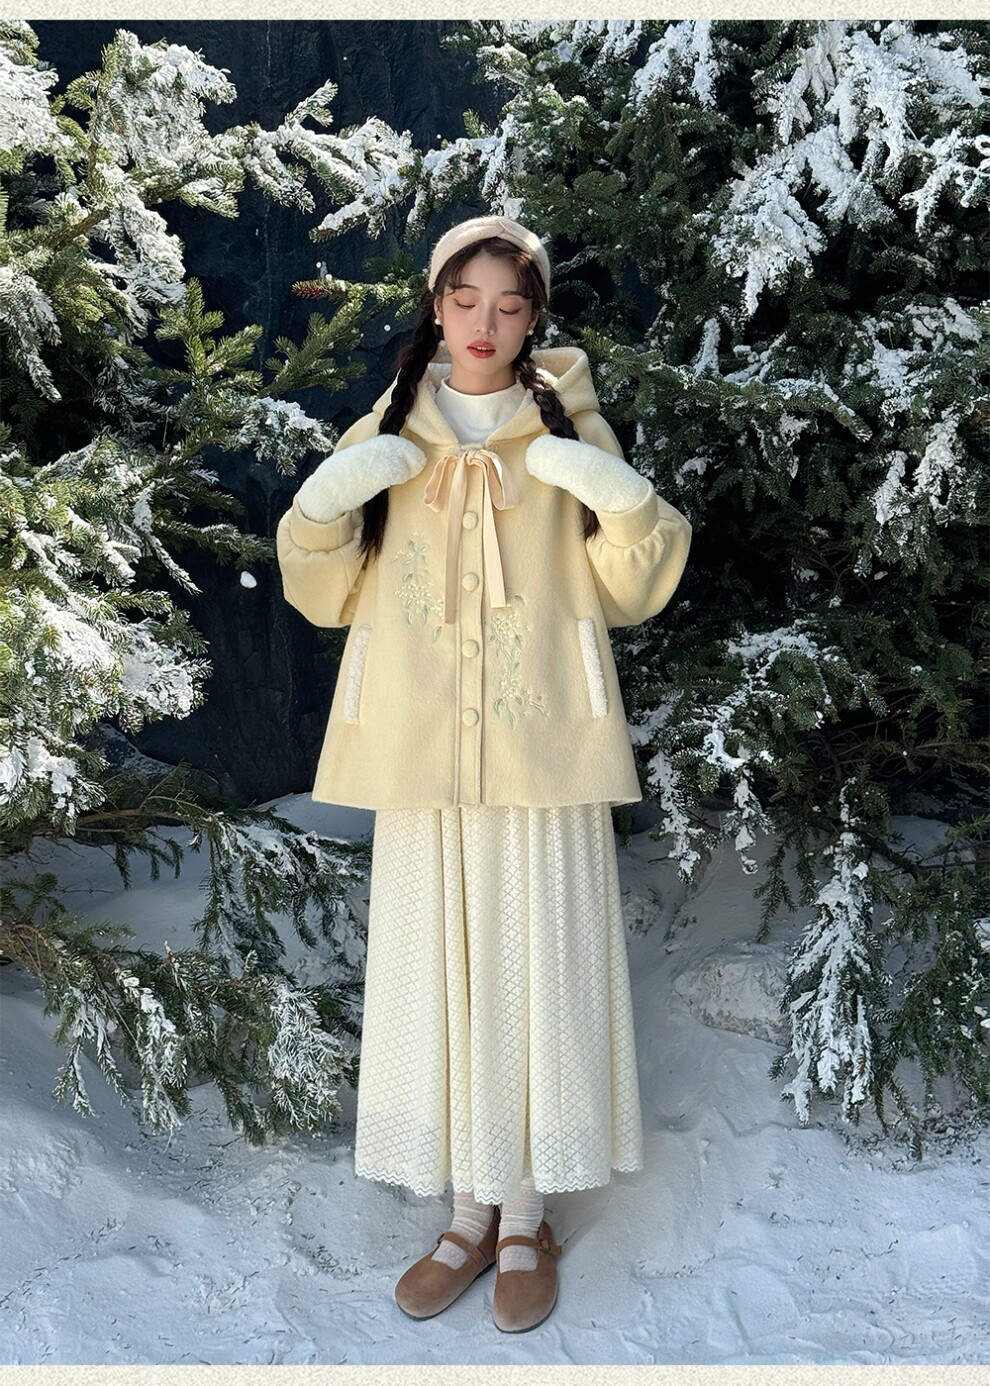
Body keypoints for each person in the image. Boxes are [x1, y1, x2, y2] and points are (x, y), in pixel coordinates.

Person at [276, 215, 692, 1333]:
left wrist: (616, 495)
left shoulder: (568, 424)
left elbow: (631, 587)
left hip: (542, 742)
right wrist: (321, 508)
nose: (485, 324)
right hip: (423, 749)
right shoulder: (389, 429)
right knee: (442, 970)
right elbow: (326, 591)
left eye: (510, 305)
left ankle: (525, 1217)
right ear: (437, 305)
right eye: (465, 300)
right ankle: (465, 1214)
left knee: (535, 966)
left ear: (533, 317)